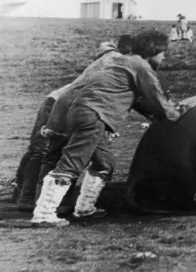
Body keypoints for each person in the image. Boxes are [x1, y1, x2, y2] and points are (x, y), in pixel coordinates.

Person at [31, 30, 184, 227]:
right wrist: (177, 114)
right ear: (153, 51)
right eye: (163, 53)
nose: (164, 57)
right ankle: (43, 213)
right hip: (94, 115)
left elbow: (137, 99)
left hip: (84, 112)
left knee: (105, 163)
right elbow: (156, 98)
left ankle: (84, 209)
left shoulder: (119, 61)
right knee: (71, 163)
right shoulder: (141, 67)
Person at [14, 36, 134, 212]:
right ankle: (35, 201)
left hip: (65, 102)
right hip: (68, 104)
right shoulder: (116, 61)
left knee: (48, 153)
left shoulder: (109, 61)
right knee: (51, 153)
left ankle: (33, 199)